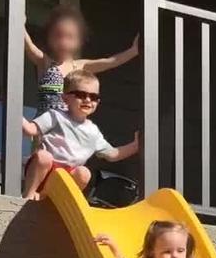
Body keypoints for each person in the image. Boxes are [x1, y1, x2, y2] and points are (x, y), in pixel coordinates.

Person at [21, 70, 138, 199]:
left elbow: (113, 154)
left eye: (94, 97)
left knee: (84, 173)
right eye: (81, 94)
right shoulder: (55, 116)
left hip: (67, 176)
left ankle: (49, 199)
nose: (87, 100)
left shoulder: (93, 131)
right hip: (44, 172)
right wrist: (14, 109)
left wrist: (136, 145)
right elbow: (30, 130)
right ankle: (29, 195)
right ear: (65, 98)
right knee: (44, 157)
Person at [24, 4, 138, 117]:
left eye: (69, 37)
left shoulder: (80, 66)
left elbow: (110, 61)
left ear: (79, 41)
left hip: (70, 130)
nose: (63, 43)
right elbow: (29, 45)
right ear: (49, 38)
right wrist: (19, 23)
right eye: (58, 36)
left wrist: (133, 51)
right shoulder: (44, 62)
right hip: (45, 129)